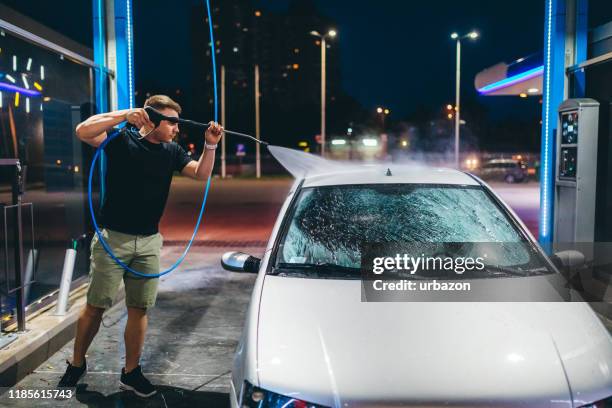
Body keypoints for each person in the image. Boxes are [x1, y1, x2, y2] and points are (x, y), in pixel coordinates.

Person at [58, 95, 223, 397]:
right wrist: (125, 115)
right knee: (96, 306)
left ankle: (131, 372)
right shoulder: (121, 141)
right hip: (113, 239)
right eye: (171, 121)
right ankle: (77, 363)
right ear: (151, 118)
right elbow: (83, 130)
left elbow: (201, 174)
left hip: (148, 242)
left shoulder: (171, 151)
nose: (176, 128)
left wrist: (210, 144)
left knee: (139, 308)